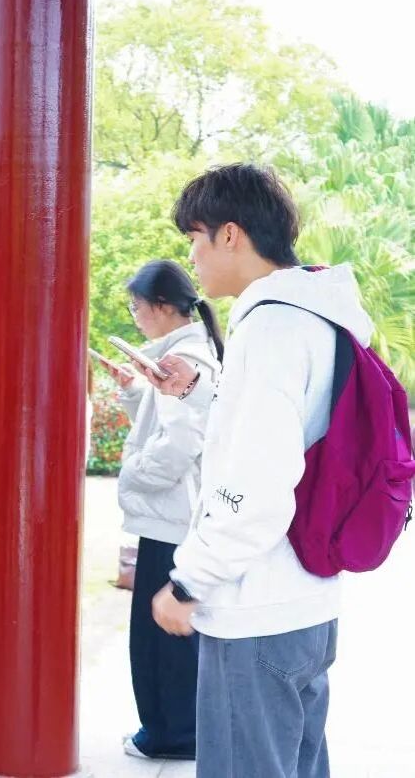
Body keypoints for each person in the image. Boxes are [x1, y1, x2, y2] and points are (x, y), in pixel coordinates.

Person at [144, 164, 376, 778]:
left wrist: (189, 582)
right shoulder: (320, 313)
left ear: (230, 234)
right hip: (306, 602)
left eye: (194, 238)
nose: (191, 256)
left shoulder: (271, 326)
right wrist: (198, 391)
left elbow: (256, 484)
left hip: (255, 610)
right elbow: (287, 435)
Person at [100, 260, 222, 762]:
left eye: (137, 307)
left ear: (163, 306)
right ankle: (171, 730)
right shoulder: (190, 351)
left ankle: (171, 735)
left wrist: (132, 474)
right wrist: (134, 391)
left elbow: (180, 441)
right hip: (176, 516)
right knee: (163, 636)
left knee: (160, 639)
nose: (135, 317)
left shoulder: (183, 358)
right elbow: (164, 423)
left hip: (173, 517)